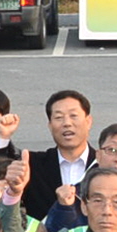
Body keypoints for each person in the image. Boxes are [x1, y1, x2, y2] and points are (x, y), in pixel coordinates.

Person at [19, 89, 95, 221]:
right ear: (50, 125)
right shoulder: (33, 165)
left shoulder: (103, 164)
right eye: (59, 117)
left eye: (73, 116)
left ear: (88, 121)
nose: (67, 123)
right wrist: (2, 138)